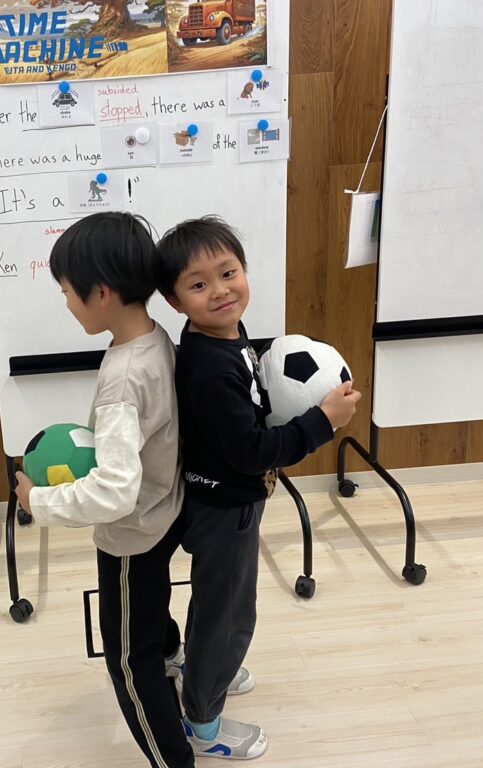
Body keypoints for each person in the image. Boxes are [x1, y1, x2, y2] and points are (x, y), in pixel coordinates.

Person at [156, 216, 360, 760]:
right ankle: (203, 722)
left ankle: (205, 672)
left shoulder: (224, 336)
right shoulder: (210, 369)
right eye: (199, 285)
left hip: (226, 500)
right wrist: (323, 421)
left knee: (217, 604)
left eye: (229, 273)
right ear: (175, 301)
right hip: (225, 508)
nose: (221, 291)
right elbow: (253, 452)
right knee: (229, 616)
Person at [15, 211, 193, 768]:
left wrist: (38, 501)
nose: (67, 304)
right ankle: (175, 658)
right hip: (165, 513)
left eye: (68, 292)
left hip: (130, 536)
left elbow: (114, 492)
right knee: (151, 610)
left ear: (102, 292)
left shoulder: (123, 378)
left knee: (128, 663)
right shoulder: (155, 341)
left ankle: (174, 760)